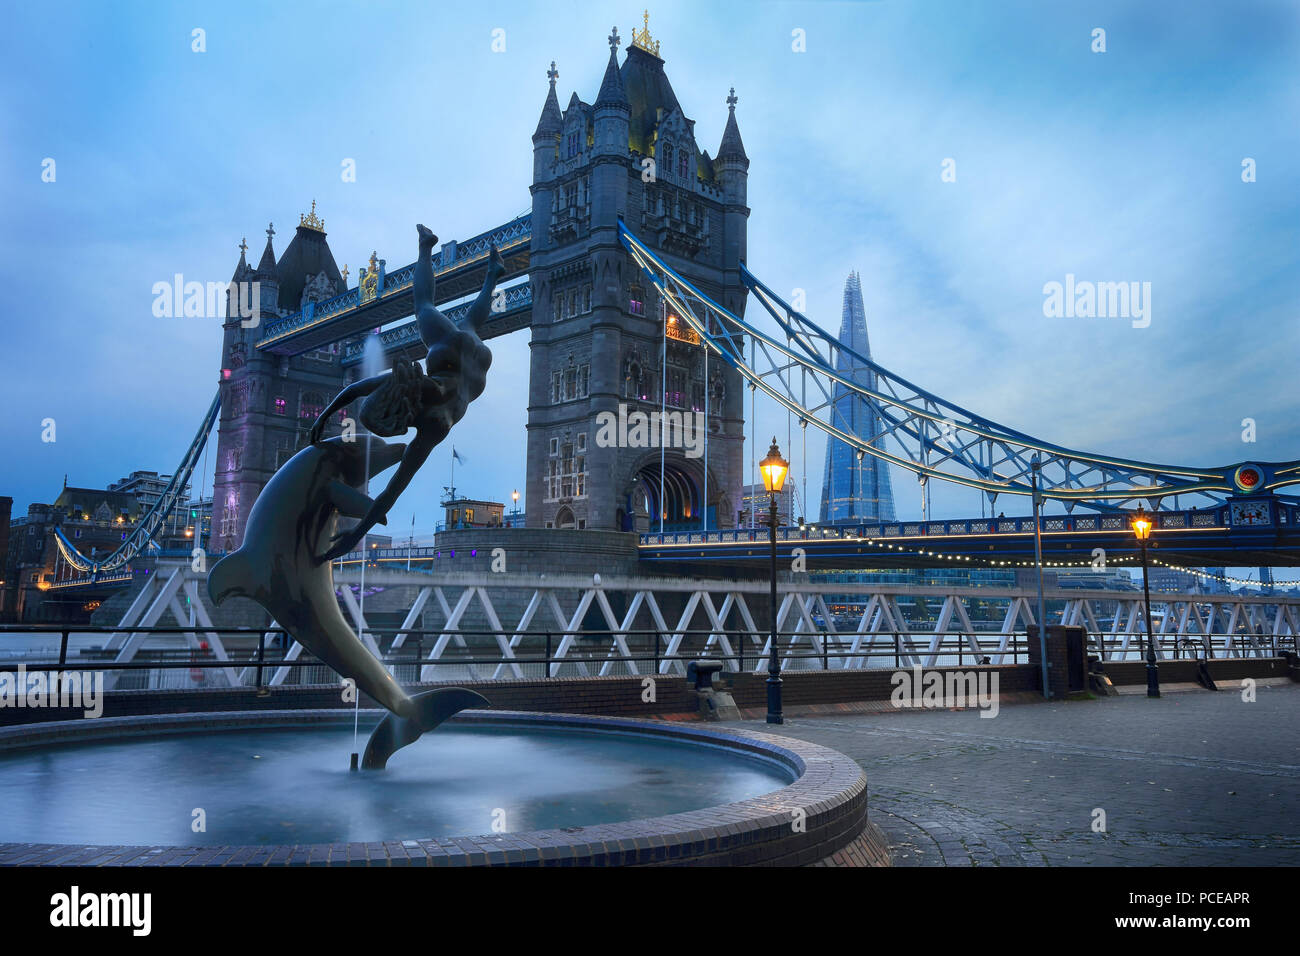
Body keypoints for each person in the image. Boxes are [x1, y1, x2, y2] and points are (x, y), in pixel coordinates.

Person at [310, 223, 504, 559]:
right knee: (426, 307)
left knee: (464, 322)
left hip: (477, 370)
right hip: (451, 352)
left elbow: (390, 493)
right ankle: (428, 249)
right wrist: (322, 418)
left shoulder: (433, 428)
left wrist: (355, 535)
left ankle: (489, 274)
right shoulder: (413, 387)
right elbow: (356, 389)